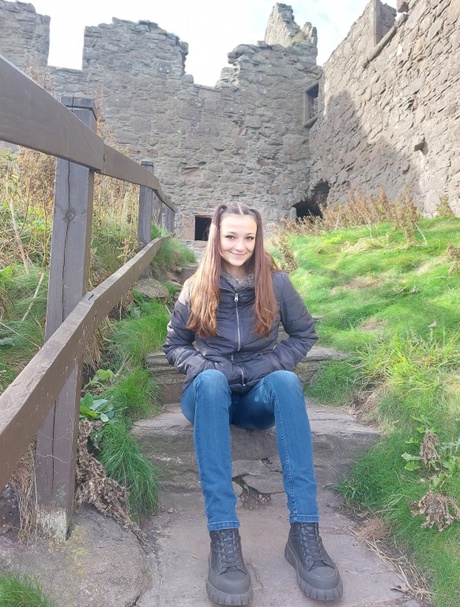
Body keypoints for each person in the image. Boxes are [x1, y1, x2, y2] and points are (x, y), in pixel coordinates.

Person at [163, 202, 343, 605]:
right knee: (210, 381)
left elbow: (303, 336)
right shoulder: (196, 285)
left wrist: (263, 365)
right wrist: (206, 366)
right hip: (209, 396)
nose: (240, 245)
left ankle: (304, 533)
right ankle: (224, 537)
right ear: (216, 237)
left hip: (256, 397)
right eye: (231, 236)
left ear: (258, 238)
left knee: (286, 381)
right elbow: (174, 344)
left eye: (249, 237)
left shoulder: (277, 284)